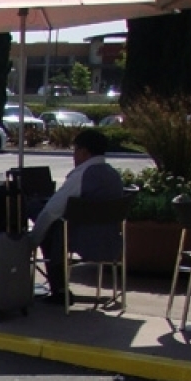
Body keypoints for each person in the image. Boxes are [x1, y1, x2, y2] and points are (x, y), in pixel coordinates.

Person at [29, 127, 124, 302]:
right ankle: (59, 289)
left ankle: (59, 289)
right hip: (109, 239)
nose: (74, 156)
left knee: (41, 214)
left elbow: (52, 210)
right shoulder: (114, 175)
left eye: (75, 151)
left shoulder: (82, 175)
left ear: (84, 152)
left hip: (81, 239)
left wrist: (33, 241)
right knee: (53, 227)